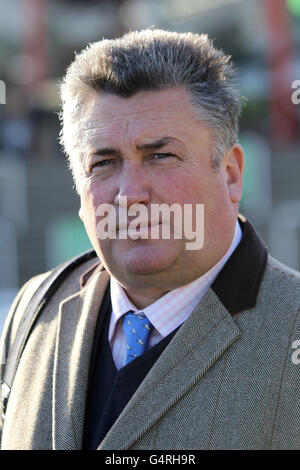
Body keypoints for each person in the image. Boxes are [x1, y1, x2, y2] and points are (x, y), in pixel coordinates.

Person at [0, 29, 299, 450]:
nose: (131, 194)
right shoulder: (33, 311)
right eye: (103, 162)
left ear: (230, 174)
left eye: (160, 156)